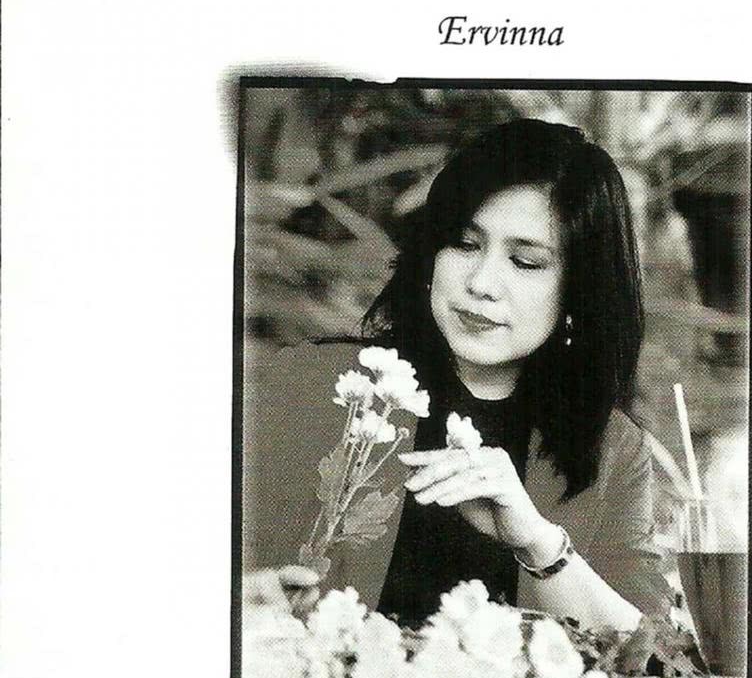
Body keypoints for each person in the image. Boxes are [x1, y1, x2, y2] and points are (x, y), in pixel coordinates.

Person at [243, 118, 667, 631]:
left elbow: (655, 654)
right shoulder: (317, 385)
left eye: (525, 262)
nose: (482, 283)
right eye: (464, 244)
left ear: (581, 290)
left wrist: (536, 541)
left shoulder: (613, 452)